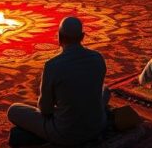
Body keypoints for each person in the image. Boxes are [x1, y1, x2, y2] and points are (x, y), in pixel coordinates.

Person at [6, 17, 109, 145]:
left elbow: (45, 109)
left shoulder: (53, 65)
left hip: (65, 133)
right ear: (83, 36)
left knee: (14, 110)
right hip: (97, 126)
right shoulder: (98, 58)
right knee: (105, 90)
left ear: (59, 38)